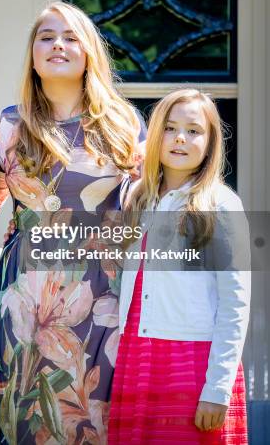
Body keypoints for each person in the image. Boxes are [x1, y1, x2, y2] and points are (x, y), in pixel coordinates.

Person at [0, 1, 146, 444]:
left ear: (89, 51)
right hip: (24, 302)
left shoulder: (122, 121)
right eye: (46, 37)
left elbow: (151, 203)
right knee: (24, 422)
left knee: (91, 419)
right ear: (33, 54)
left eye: (71, 37)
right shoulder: (10, 123)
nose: (58, 45)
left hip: (100, 299)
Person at [109, 88, 250, 444]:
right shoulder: (138, 198)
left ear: (211, 142)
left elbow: (236, 305)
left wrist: (216, 388)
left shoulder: (221, 205)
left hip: (193, 360)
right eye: (170, 128)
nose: (180, 139)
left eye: (194, 130)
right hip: (138, 355)